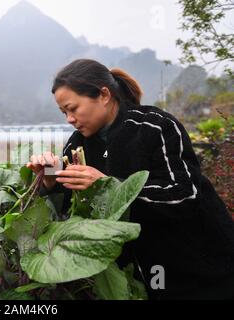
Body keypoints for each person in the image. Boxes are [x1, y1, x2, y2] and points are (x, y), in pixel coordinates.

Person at [26, 59, 234, 300]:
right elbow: (74, 210)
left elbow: (184, 195)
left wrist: (108, 184)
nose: (69, 119)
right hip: (142, 272)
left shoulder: (156, 127)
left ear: (103, 95)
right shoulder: (77, 144)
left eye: (73, 108)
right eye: (64, 112)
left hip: (200, 264)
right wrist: (50, 180)